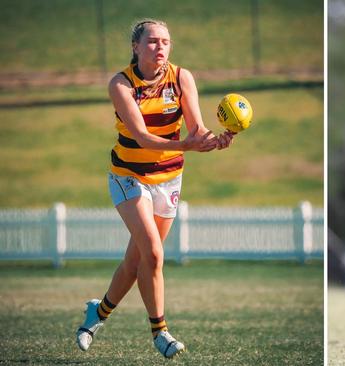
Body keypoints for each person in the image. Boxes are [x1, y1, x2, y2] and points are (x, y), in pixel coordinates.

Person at [75, 19, 235, 359]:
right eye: (151, 42)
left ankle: (97, 313)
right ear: (135, 47)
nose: (159, 47)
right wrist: (191, 146)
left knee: (136, 263)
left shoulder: (182, 77)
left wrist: (218, 140)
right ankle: (160, 332)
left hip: (169, 178)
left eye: (165, 41)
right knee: (155, 253)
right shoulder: (121, 84)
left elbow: (196, 128)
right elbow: (143, 139)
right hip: (129, 176)